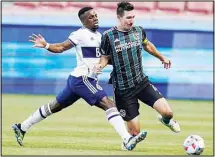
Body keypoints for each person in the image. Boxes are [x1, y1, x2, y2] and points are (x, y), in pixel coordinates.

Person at [12, 6, 147, 151]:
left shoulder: (100, 37)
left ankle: (22, 127)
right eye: (91, 17)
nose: (95, 18)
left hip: (77, 81)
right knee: (109, 105)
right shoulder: (80, 34)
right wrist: (46, 45)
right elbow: (61, 47)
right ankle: (127, 139)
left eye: (96, 15)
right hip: (83, 79)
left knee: (54, 107)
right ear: (84, 21)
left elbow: (104, 59)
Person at [93, 2, 180, 149]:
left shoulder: (138, 31)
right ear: (119, 17)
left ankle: (165, 120)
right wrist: (100, 65)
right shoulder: (108, 36)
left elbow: (146, 44)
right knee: (135, 134)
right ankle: (126, 142)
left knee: (168, 113)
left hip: (141, 82)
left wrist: (162, 57)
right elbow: (105, 57)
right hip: (123, 90)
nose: (131, 20)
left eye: (133, 17)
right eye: (128, 18)